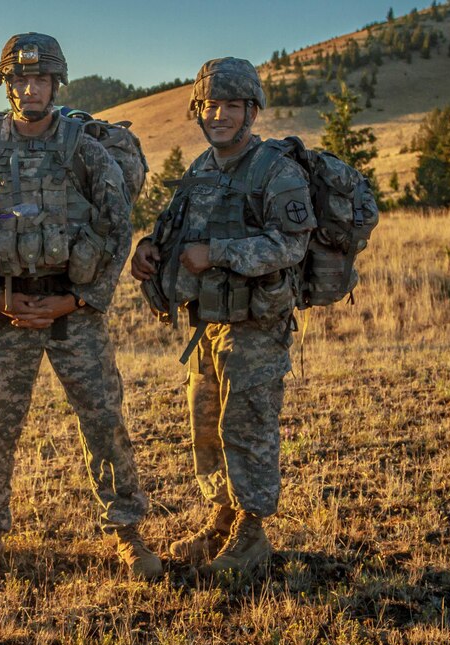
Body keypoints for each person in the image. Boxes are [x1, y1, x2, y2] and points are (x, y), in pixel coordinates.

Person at [0, 33, 161, 582]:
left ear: (57, 83)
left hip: (73, 310)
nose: (29, 87)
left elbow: (114, 226)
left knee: (103, 417)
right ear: (6, 83)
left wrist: (75, 298)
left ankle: (126, 530)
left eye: (39, 78)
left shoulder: (85, 145)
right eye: (19, 78)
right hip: (3, 309)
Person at [130, 57, 316, 575]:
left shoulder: (275, 170)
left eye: (231, 106)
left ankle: (251, 534)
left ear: (251, 111)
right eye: (210, 105)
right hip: (207, 323)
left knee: (248, 427)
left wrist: (218, 254)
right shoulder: (202, 169)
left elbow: (290, 245)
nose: (219, 115)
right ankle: (222, 519)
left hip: (255, 329)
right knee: (207, 428)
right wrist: (148, 249)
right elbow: (175, 230)